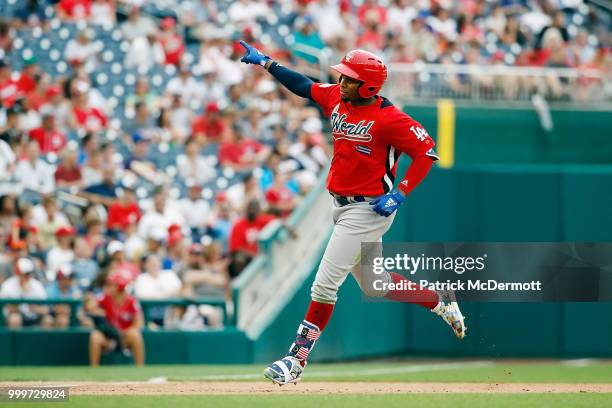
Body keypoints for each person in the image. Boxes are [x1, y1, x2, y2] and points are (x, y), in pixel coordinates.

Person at [239, 42, 467, 385]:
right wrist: (268, 64)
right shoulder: (337, 99)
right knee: (376, 285)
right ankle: (439, 301)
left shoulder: (390, 118)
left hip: (367, 208)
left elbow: (426, 152)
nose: (342, 83)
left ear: (369, 86)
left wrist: (400, 192)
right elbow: (304, 86)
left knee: (324, 286)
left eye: (349, 79)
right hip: (339, 205)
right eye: (343, 77)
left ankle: (295, 360)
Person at [86, 271, 145, 366]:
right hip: (108, 336)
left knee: (135, 334)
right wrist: (94, 307)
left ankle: (140, 367)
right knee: (95, 336)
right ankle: (94, 368)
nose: (109, 287)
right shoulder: (104, 298)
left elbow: (139, 323)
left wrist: (122, 333)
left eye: (113, 285)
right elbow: (89, 305)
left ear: (120, 286)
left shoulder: (131, 301)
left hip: (124, 337)